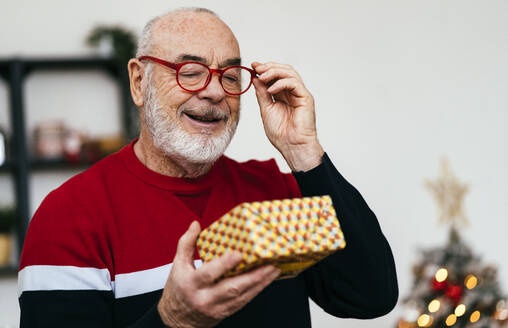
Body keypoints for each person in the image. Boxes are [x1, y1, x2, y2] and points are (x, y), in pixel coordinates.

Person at [18, 7, 398, 328]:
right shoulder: (67, 216)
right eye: (189, 71)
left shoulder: (274, 190)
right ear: (138, 82)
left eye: (230, 76)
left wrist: (303, 151)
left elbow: (371, 296)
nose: (215, 92)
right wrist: (171, 319)